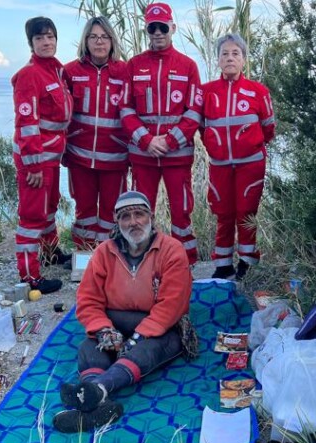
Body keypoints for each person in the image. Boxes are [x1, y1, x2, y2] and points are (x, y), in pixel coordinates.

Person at [53, 191, 195, 433]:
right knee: (90, 345)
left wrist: (137, 338)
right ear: (117, 223)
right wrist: (103, 329)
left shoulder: (172, 250)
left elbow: (172, 304)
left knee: (150, 348)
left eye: (139, 214)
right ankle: (97, 401)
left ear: (151, 216)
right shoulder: (103, 252)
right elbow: (88, 299)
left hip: (159, 326)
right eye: (125, 216)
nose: (133, 222)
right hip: (115, 319)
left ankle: (96, 390)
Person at [120, 3, 204, 265]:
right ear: (147, 29)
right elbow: (124, 108)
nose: (157, 32)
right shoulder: (133, 65)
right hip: (143, 156)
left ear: (172, 28)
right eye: (152, 27)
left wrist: (168, 142)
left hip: (177, 155)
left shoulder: (188, 66)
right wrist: (146, 141)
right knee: (140, 212)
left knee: (181, 211)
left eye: (163, 27)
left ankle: (184, 261)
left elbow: (194, 110)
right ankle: (142, 260)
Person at [199, 33, 276, 280]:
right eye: (225, 54)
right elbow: (201, 127)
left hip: (250, 165)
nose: (230, 58)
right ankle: (222, 264)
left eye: (235, 54)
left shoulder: (258, 91)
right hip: (219, 165)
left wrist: (249, 146)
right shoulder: (206, 92)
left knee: (246, 211)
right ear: (218, 60)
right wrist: (215, 145)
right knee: (223, 212)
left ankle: (247, 261)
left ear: (243, 60)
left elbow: (268, 128)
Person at [11, 16, 72, 294]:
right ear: (31, 43)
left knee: (49, 207)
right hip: (35, 161)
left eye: (50, 37)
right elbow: (27, 123)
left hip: (51, 158)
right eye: (39, 38)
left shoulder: (56, 71)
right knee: (32, 215)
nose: (46, 42)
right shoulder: (30, 75)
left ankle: (50, 253)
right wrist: (33, 164)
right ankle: (29, 276)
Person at [63, 17, 130, 250]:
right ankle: (83, 259)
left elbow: (135, 114)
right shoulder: (70, 71)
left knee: (113, 211)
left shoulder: (125, 72)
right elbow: (60, 115)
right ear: (86, 41)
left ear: (112, 40)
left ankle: (109, 258)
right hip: (79, 157)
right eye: (93, 37)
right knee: (84, 211)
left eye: (104, 37)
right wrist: (62, 150)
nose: (99, 42)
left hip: (115, 157)